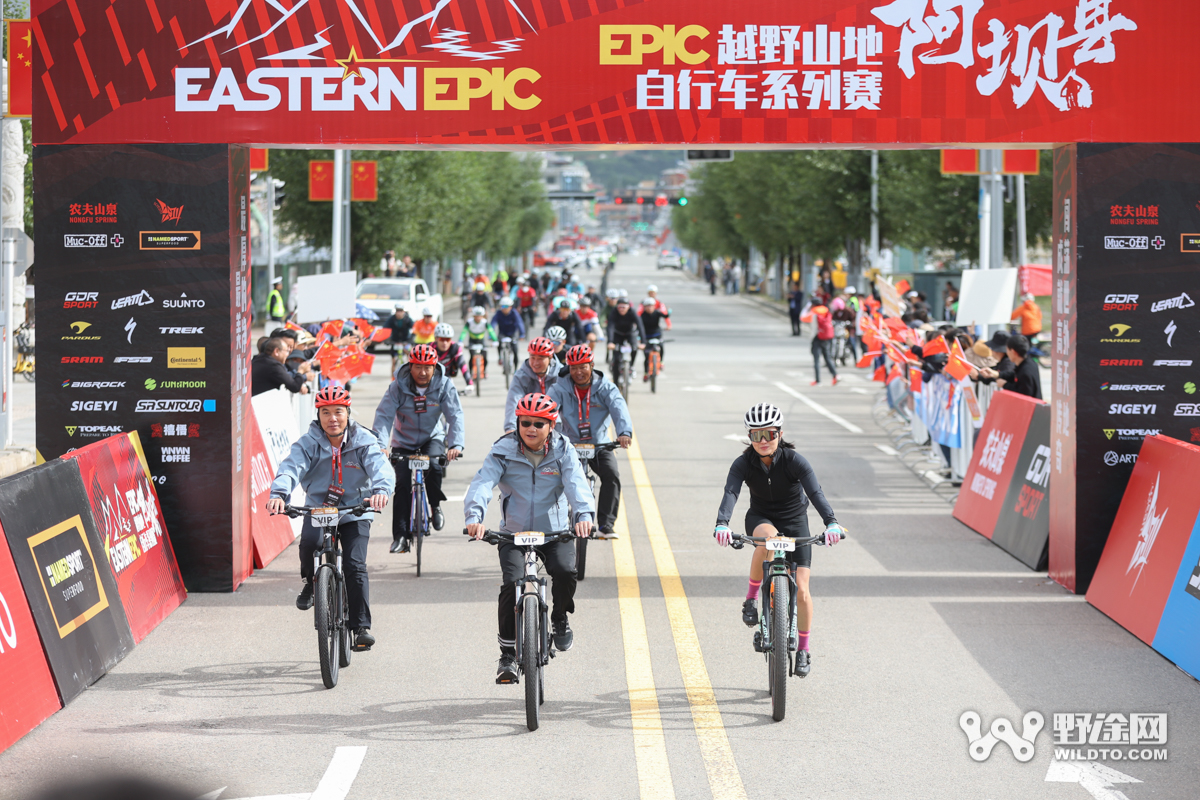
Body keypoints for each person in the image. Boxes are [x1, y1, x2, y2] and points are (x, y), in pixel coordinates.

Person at [465, 393, 595, 682]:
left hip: (554, 532)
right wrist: (474, 517)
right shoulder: (502, 450)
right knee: (511, 586)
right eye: (525, 423)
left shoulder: (563, 450)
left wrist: (584, 516)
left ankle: (559, 619)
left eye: (539, 423)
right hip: (513, 534)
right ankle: (508, 655)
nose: (531, 429)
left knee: (565, 571)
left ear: (551, 425)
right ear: (517, 423)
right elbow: (483, 482)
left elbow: (576, 484)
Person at [712, 403, 844, 678]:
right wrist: (722, 523)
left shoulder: (795, 461)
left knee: (804, 590)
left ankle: (804, 649)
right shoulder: (743, 464)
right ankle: (750, 600)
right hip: (761, 518)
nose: (763, 441)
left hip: (796, 520)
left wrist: (831, 522)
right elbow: (731, 493)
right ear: (749, 437)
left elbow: (816, 493)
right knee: (769, 540)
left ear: (780, 434)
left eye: (769, 434)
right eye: (756, 435)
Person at [268, 386, 394, 650]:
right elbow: (290, 468)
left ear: (348, 413)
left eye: (338, 412)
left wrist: (381, 490)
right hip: (319, 510)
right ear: (318, 415)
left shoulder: (364, 441)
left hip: (355, 510)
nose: (332, 418)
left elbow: (380, 467)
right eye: (326, 412)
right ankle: (310, 584)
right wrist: (279, 494)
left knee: (355, 564)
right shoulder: (309, 443)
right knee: (308, 547)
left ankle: (360, 627)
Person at [373, 344, 464, 553]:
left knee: (434, 464)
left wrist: (456, 444)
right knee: (402, 484)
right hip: (403, 441)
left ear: (435, 367)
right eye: (418, 367)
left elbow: (455, 415)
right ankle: (401, 537)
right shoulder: (397, 386)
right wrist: (381, 446)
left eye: (428, 367)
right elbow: (384, 416)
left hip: (431, 438)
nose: (422, 372)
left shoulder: (444, 384)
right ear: (409, 366)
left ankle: (435, 504)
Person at [547, 345, 632, 539]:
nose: (578, 372)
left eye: (583, 367)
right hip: (569, 444)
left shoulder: (605, 387)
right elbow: (548, 409)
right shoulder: (559, 387)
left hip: (599, 444)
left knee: (612, 476)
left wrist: (624, 432)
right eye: (574, 367)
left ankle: (606, 524)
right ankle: (552, 524)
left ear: (592, 366)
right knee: (549, 476)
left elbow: (619, 408)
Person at [504, 337, 559, 432]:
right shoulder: (521, 376)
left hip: (557, 427)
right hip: (532, 427)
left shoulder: (561, 375)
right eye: (532, 357)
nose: (535, 363)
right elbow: (513, 401)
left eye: (540, 358)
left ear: (550, 357)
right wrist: (511, 428)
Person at [606, 296, 646, 374]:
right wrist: (610, 341)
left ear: (628, 307)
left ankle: (631, 366)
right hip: (617, 334)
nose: (622, 309)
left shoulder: (632, 312)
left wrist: (643, 342)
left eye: (624, 307)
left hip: (630, 333)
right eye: (620, 307)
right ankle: (616, 377)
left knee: (634, 348)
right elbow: (610, 327)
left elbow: (640, 326)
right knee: (616, 358)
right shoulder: (614, 312)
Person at [460, 306, 499, 378]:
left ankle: (484, 370)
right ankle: (471, 372)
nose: (478, 318)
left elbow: (491, 331)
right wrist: (460, 341)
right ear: (473, 316)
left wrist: (495, 340)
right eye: (476, 316)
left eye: (480, 316)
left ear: (482, 316)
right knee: (472, 357)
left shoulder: (485, 322)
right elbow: (464, 332)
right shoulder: (469, 322)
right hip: (472, 341)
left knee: (485, 356)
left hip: (481, 341)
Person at [433, 322, 472, 389]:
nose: (445, 343)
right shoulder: (429, 348)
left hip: (447, 378)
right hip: (430, 379)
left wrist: (469, 383)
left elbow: (463, 365)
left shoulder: (455, 348)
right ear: (436, 339)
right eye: (441, 339)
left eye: (448, 339)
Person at [1002, 334, 1042, 399]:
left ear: (1013, 352)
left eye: (1007, 350)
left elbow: (1023, 396)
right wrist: (997, 374)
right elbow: (1014, 375)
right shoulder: (1030, 363)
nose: (1007, 353)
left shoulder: (1025, 371)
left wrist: (1005, 385)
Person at [638, 297, 670, 378]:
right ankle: (645, 373)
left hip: (656, 334)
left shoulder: (657, 313)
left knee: (661, 346)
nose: (649, 307)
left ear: (654, 306)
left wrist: (669, 312)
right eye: (647, 306)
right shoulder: (642, 316)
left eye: (651, 305)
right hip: (646, 336)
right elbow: (639, 327)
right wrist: (639, 337)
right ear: (644, 307)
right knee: (646, 355)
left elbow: (665, 316)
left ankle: (661, 362)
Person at [491, 296, 526, 366]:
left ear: (510, 307)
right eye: (503, 306)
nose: (505, 308)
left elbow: (520, 323)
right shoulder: (498, 313)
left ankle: (515, 368)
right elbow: (493, 323)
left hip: (512, 333)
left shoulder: (514, 313)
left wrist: (522, 334)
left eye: (507, 306)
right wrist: (491, 334)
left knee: (515, 350)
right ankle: (500, 357)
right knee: (499, 343)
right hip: (502, 333)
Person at [810, 302, 838, 386]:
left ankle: (818, 380)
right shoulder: (826, 311)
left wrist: (812, 338)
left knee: (816, 359)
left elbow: (814, 328)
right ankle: (835, 375)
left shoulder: (815, 313)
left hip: (817, 338)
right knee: (827, 357)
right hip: (827, 337)